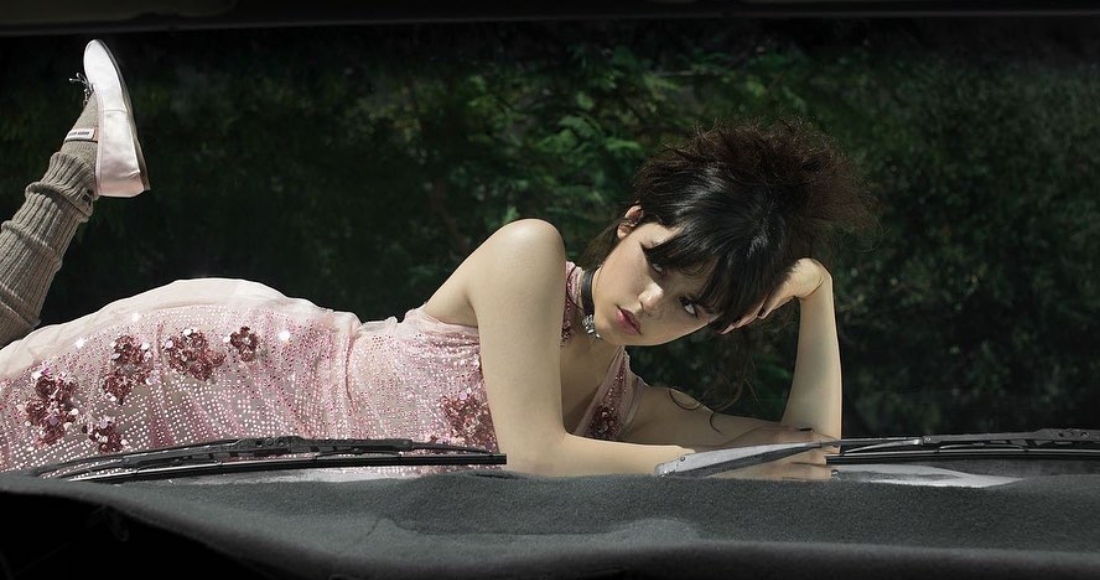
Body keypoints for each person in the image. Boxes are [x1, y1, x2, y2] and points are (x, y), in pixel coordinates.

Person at [0, 40, 875, 479]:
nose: (651, 302)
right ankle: (80, 163)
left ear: (720, 323)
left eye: (691, 305)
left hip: (252, 481)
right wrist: (708, 464)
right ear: (631, 221)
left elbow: (812, 455)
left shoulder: (626, 410)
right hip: (216, 373)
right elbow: (534, 455)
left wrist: (817, 296)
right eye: (657, 263)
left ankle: (85, 157)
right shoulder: (531, 256)